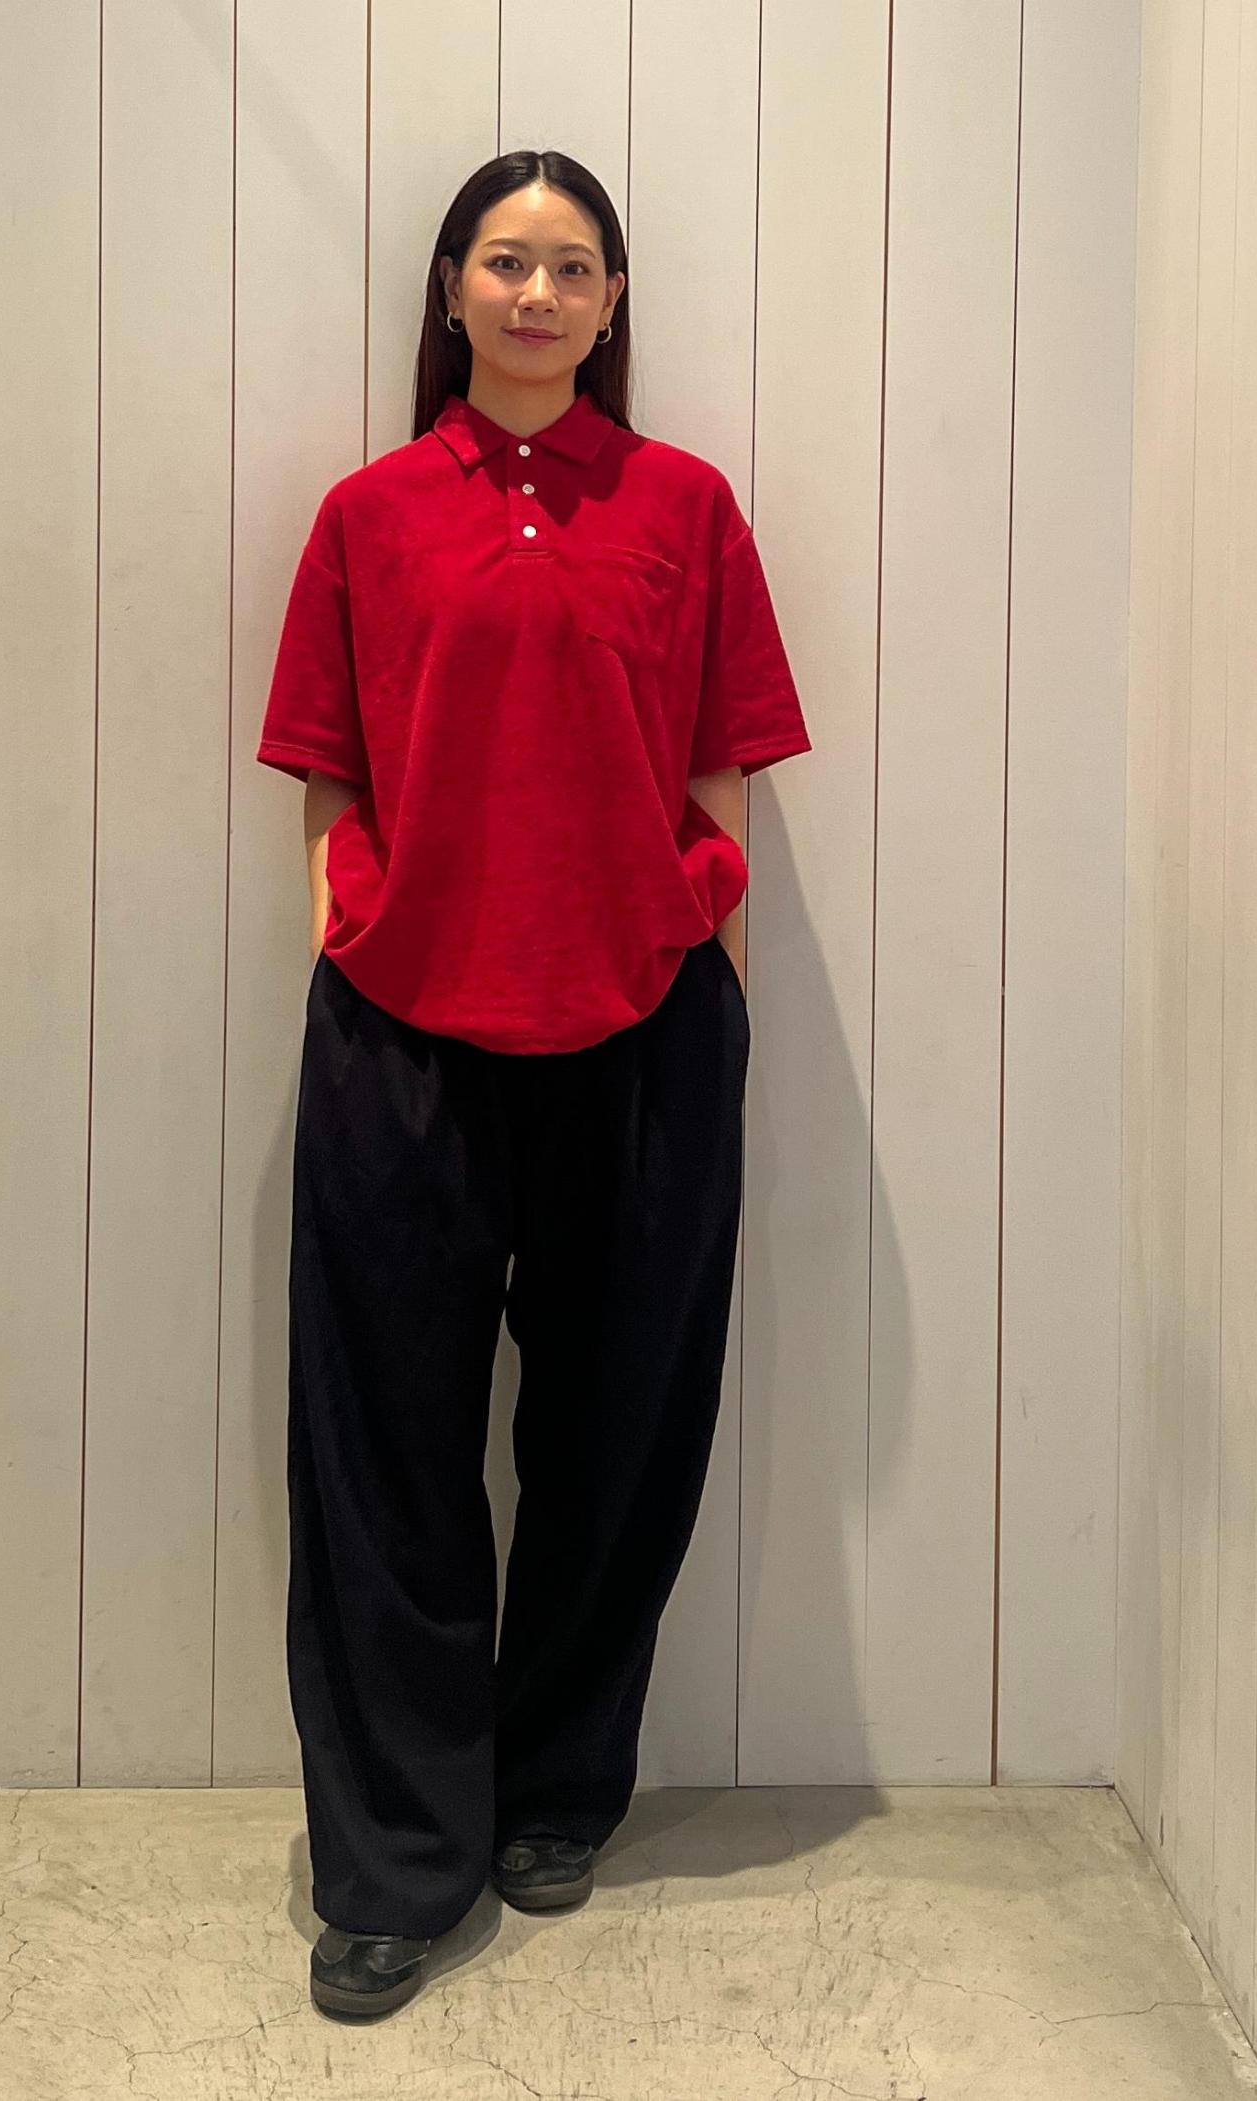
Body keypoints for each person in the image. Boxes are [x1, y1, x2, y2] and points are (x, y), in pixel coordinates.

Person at [257, 148, 812, 2020]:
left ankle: (558, 1789)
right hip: (403, 1031)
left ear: (611, 302)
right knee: (383, 1455)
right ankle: (396, 1861)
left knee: (617, 1431)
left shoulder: (683, 508)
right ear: (450, 288)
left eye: (574, 266)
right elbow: (329, 769)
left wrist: (706, 970)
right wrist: (348, 928)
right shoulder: (368, 515)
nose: (538, 294)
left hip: (643, 1030)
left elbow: (723, 765)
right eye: (506, 260)